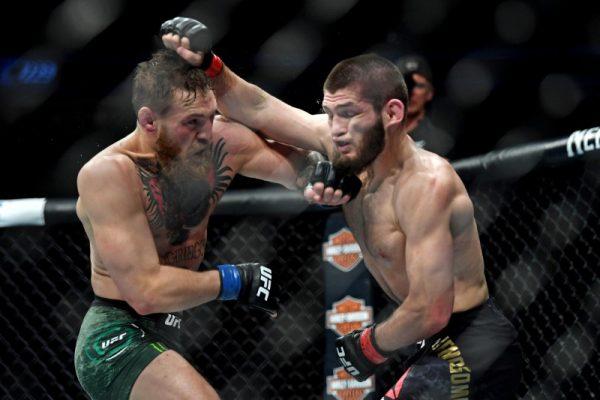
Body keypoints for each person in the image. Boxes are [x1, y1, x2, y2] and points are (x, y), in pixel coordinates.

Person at [162, 17, 522, 399]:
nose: (334, 128)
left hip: (471, 341)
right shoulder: (341, 146)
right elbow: (257, 106)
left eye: (349, 113)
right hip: (427, 345)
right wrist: (209, 66)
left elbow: (431, 309)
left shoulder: (427, 185)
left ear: (393, 113)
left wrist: (369, 345)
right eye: (330, 113)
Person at [73, 48, 343, 400]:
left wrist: (319, 175)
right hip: (118, 334)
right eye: (191, 122)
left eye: (210, 117)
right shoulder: (110, 174)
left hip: (172, 326)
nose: (205, 133)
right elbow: (145, 292)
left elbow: (299, 169)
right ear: (149, 120)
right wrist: (234, 280)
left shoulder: (220, 141)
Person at [396, 54, 454, 156]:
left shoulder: (440, 142)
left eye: (419, 86)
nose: (412, 92)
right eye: (406, 85)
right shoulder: (377, 137)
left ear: (429, 93)